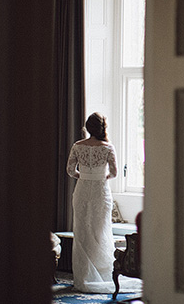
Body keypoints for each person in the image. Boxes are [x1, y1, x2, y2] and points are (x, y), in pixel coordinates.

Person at [67, 113, 141, 294]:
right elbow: (114, 173)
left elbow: (70, 170)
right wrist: (101, 177)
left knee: (82, 231)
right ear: (103, 128)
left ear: (87, 127)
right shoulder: (108, 147)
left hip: (82, 190)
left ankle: (83, 276)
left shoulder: (78, 146)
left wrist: (83, 176)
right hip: (101, 191)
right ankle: (102, 274)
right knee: (100, 231)